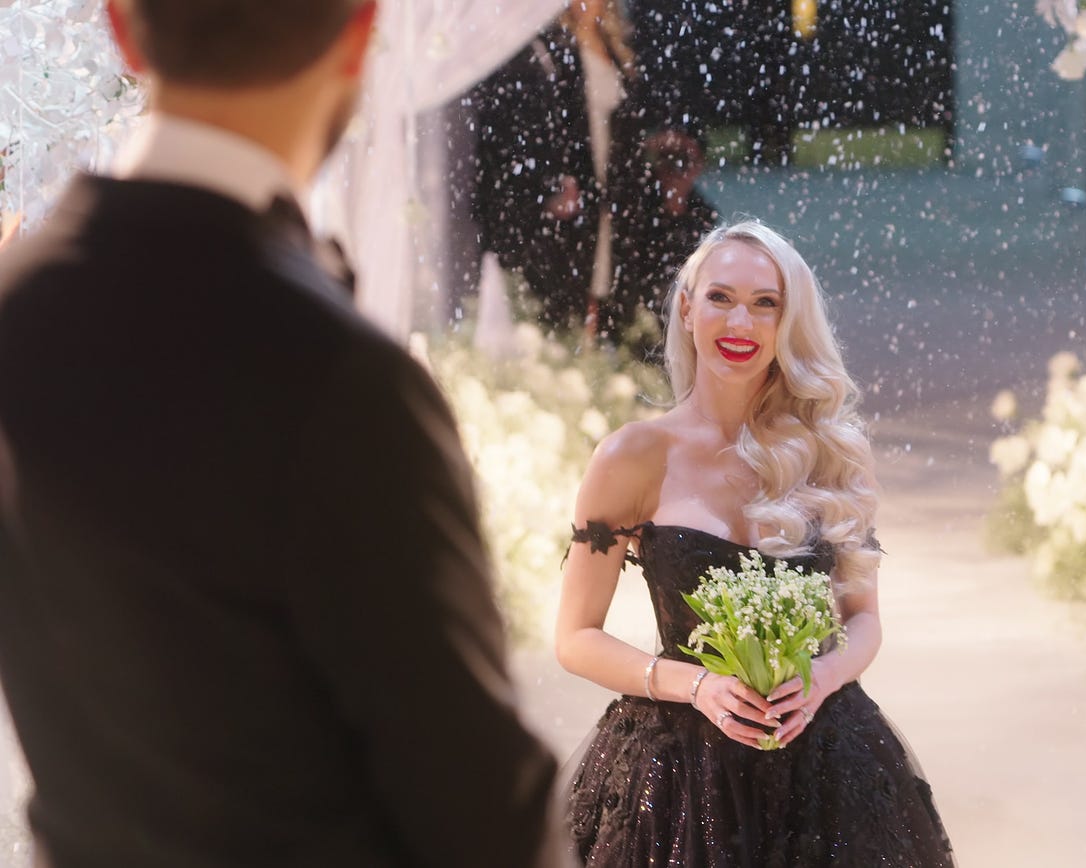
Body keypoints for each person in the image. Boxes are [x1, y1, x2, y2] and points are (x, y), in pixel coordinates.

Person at [0, 2, 559, 866]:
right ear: (360, 33)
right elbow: (488, 817)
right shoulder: (344, 382)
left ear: (119, 24)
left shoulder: (16, 320)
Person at [555, 220, 955, 865]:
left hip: (827, 762)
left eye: (765, 303)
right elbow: (575, 637)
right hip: (675, 773)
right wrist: (694, 686)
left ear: (787, 321)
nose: (740, 322)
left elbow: (865, 623)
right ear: (687, 309)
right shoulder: (633, 455)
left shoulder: (832, 452)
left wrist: (821, 678)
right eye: (720, 298)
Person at [463, 0, 715, 347]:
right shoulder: (546, 47)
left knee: (617, 280)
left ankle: (607, 355)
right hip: (578, 193)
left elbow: (622, 125)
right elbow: (533, 129)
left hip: (616, 191)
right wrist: (550, 184)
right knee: (571, 290)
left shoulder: (613, 44)